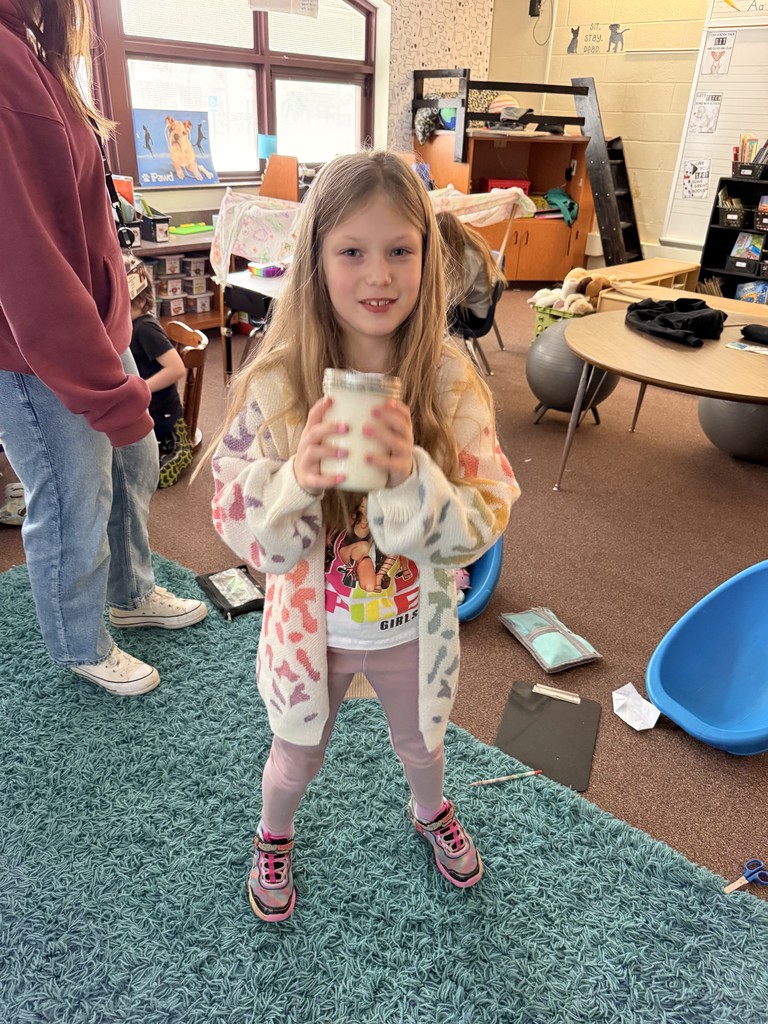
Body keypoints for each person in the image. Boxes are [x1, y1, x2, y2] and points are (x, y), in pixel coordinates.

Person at [209, 150, 520, 922]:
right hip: (313, 631)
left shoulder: (448, 380)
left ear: (428, 257)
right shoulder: (280, 381)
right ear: (317, 259)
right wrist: (297, 481)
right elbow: (236, 522)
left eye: (399, 251)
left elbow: (488, 512)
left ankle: (430, 810)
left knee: (423, 745)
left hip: (413, 625)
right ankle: (272, 834)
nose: (378, 275)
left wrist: (415, 474)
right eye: (352, 251)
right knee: (295, 755)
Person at [0, 0, 207, 698]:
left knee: (132, 463)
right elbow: (22, 257)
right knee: (71, 498)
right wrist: (96, 378)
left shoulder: (34, 51)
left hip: (97, 326)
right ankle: (78, 642)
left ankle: (129, 592)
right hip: (35, 352)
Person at [125, 256, 194, 489]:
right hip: (144, 415)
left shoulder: (145, 328)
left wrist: (141, 388)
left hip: (166, 417)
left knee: (156, 479)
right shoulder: (127, 327)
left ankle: (177, 446)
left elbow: (176, 368)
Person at [436, 210, 507, 322]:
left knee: (424, 313)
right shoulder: (465, 247)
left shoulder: (469, 256)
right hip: (470, 306)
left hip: (474, 315)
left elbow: (451, 298)